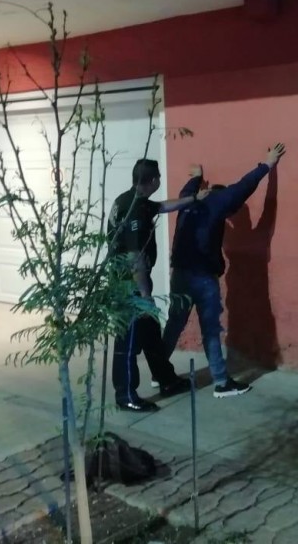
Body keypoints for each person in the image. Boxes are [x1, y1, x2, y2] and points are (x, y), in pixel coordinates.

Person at [160, 143, 286, 398]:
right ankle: (221, 382)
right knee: (210, 329)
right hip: (202, 277)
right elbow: (245, 186)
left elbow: (188, 188)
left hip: (180, 273)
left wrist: (196, 177)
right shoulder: (219, 201)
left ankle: (159, 371)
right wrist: (269, 164)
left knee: (174, 323)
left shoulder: (187, 200)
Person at [109, 158, 208, 412]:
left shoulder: (133, 200)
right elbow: (134, 258)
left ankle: (167, 380)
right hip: (129, 287)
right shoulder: (134, 210)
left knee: (151, 336)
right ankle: (126, 396)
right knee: (128, 342)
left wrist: (194, 198)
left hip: (136, 284)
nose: (160, 181)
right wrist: (145, 296)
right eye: (159, 177)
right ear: (153, 180)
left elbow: (162, 206)